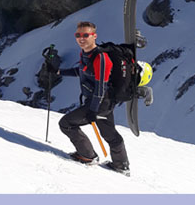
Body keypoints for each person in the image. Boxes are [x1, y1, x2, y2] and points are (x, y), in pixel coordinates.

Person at [42, 20, 130, 174]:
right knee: (109, 134)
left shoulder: (101, 58)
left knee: (66, 124)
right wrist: (57, 72)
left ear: (94, 36)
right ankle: (121, 165)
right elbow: (80, 71)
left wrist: (93, 110)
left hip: (101, 101)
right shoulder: (85, 54)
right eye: (78, 35)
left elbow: (100, 86)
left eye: (85, 35)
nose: (81, 38)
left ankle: (88, 156)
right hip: (101, 102)